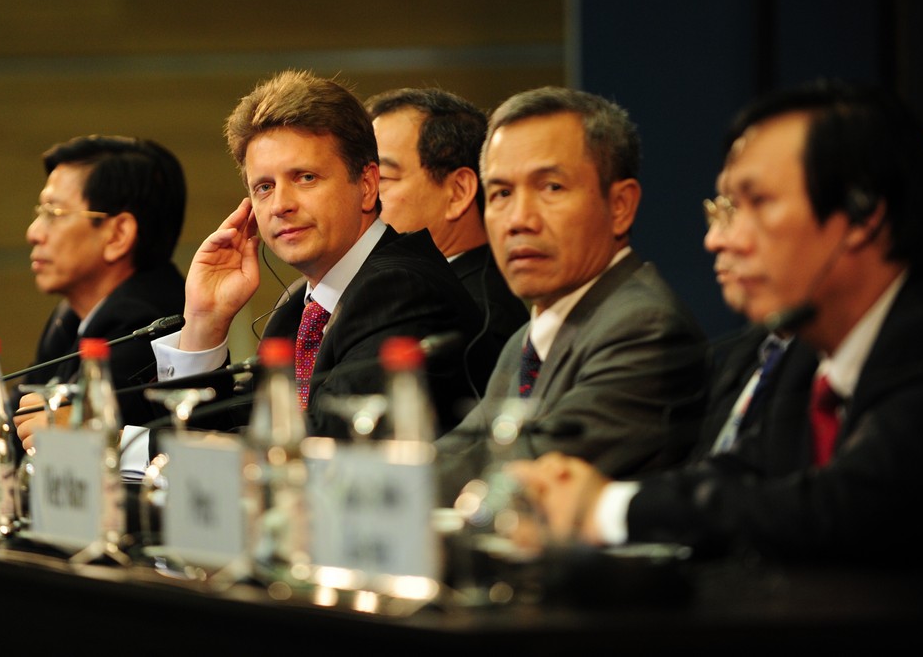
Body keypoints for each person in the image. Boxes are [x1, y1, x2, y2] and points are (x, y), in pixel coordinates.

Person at [511, 82, 923, 564]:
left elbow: (843, 508)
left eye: (757, 202)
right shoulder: (804, 354)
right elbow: (738, 474)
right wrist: (586, 494)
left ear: (862, 213)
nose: (718, 240)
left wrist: (606, 508)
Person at [151, 69, 499, 438]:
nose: (280, 205)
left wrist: (167, 448)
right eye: (264, 187)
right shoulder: (297, 307)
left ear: (367, 185)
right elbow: (237, 426)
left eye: (305, 178)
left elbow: (330, 443)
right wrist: (204, 323)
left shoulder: (401, 289)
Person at [435, 86, 708, 504]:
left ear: (620, 206)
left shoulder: (645, 328)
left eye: (551, 187)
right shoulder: (528, 339)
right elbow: (460, 451)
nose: (519, 220)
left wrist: (378, 493)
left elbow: (524, 474)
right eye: (502, 193)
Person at [13, 135, 187, 449]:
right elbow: (10, 414)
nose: (33, 232)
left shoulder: (146, 325)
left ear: (118, 235)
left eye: (54, 213)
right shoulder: (72, 315)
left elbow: (44, 444)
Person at [366, 87, 529, 362]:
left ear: (458, 192)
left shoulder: (476, 318)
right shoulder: (409, 291)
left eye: (382, 178)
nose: (365, 195)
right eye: (361, 179)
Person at [692, 172, 814, 461]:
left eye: (754, 205)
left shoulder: (822, 362)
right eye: (718, 212)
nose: (713, 239)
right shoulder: (749, 351)